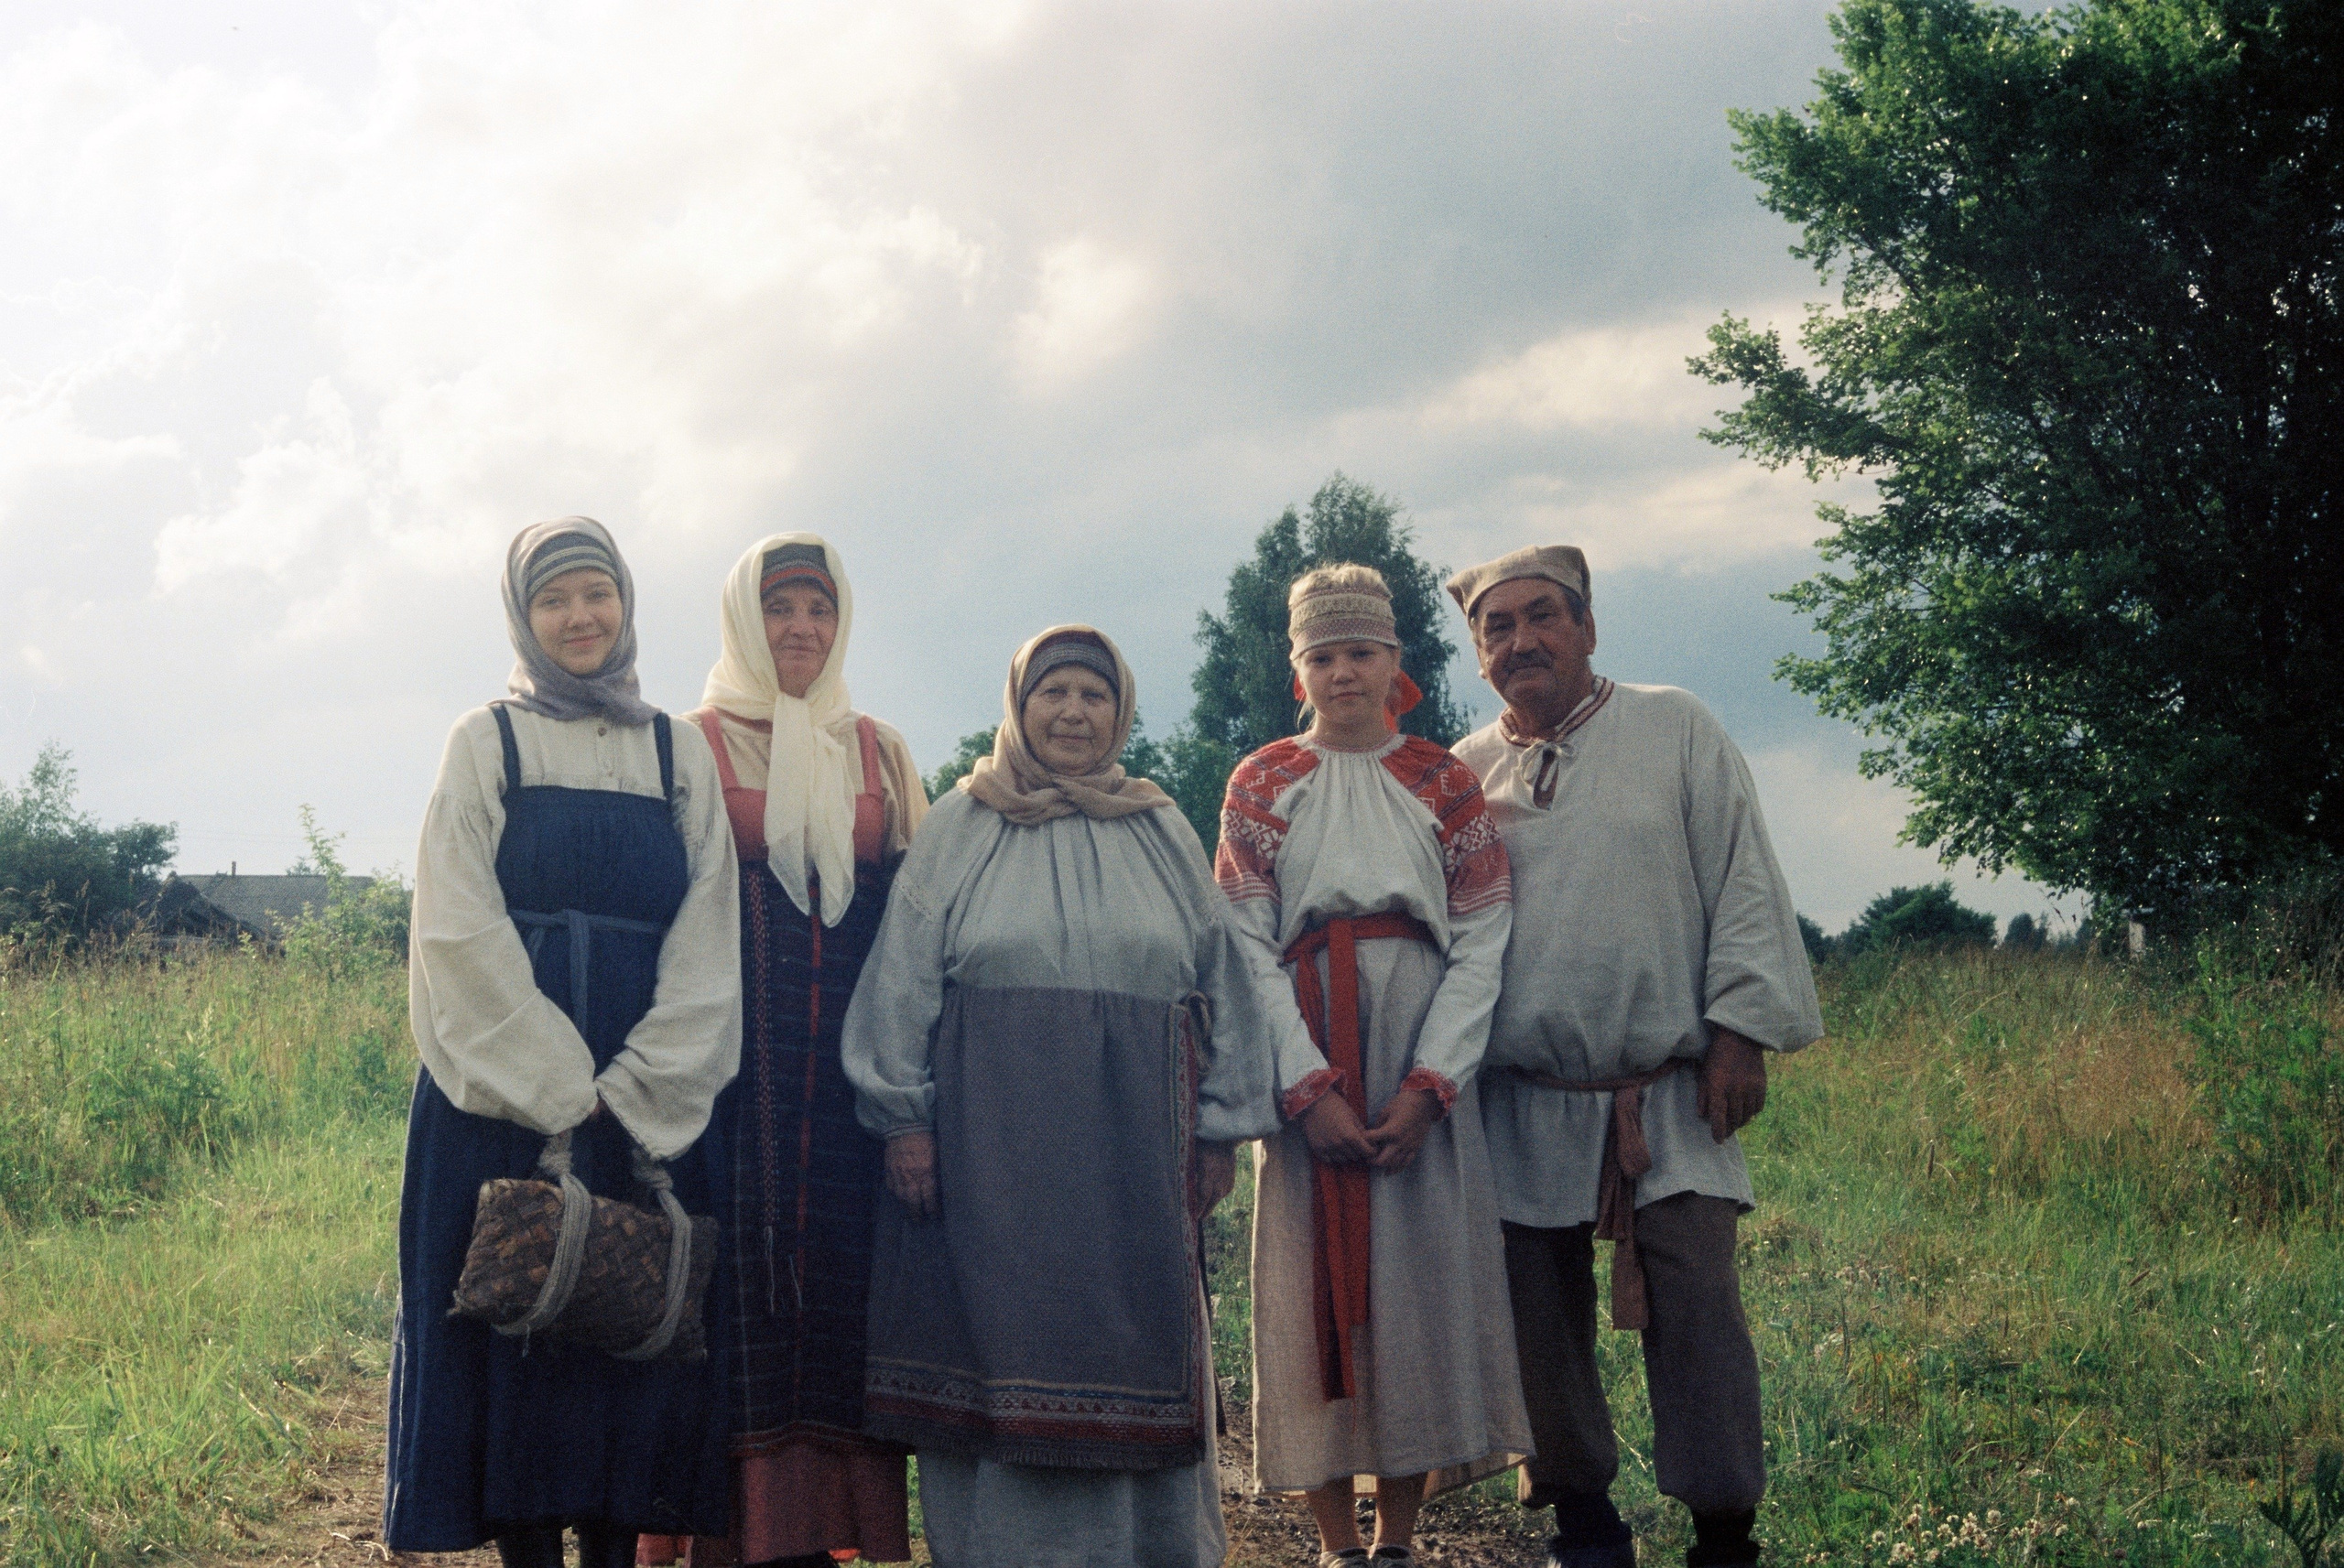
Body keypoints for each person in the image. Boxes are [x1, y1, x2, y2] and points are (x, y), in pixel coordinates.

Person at [841, 625, 1290, 1568]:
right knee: (995, 1356)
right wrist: (904, 1120)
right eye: (1054, 693)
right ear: (1019, 705)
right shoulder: (962, 824)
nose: (1074, 712)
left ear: (1120, 711)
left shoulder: (1160, 827)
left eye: (1094, 694)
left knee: (1135, 1344)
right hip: (989, 1153)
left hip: (1134, 1152)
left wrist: (1220, 1128)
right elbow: (900, 979)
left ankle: (1144, 1551)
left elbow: (1223, 981)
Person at [1444, 546, 1823, 1568]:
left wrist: (1740, 1030)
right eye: (1497, 627)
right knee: (1536, 1319)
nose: (1522, 640)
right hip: (1522, 1094)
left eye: (1543, 616)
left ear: (1587, 626)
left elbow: (1743, 877)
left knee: (1699, 1309)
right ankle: (1584, 1524)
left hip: (1670, 1090)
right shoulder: (1461, 774)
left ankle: (1723, 1533)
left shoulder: (1675, 726)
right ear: (1478, 653)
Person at [385, 518, 743, 1568]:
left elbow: (710, 924)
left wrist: (645, 1080)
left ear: (625, 604)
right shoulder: (485, 740)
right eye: (553, 599)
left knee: (633, 1325)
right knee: (515, 1332)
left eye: (596, 593)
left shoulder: (675, 749)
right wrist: (550, 1079)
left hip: (643, 1090)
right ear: (522, 615)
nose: (579, 617)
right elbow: (454, 922)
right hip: (503, 1088)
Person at [1216, 565, 1532, 1568]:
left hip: (1415, 1047)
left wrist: (1432, 1085)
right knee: (1306, 1284)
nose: (1342, 671)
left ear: (1396, 662)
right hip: (1307, 1043)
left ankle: (1397, 1536)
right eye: (1322, 654)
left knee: (1416, 1294)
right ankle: (1334, 1544)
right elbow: (1243, 941)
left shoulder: (1441, 779)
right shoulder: (1263, 779)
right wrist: (1303, 1086)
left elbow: (1483, 936)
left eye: (1361, 651)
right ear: (1297, 671)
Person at [635, 535, 928, 1568]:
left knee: (845, 1298)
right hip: (729, 1084)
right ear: (740, 619)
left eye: (818, 607)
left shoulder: (879, 752)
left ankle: (820, 1540)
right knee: (731, 1298)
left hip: (851, 1088)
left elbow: (917, 918)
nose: (801, 627)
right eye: (778, 607)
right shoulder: (689, 745)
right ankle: (724, 1543)